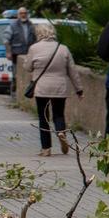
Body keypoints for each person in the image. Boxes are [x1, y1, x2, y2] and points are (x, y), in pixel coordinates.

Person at [27, 22, 83, 156]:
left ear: (39, 33)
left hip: (42, 88)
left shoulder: (34, 48)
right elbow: (72, 71)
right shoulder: (63, 48)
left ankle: (46, 148)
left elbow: (28, 67)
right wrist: (79, 89)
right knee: (58, 114)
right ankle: (61, 132)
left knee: (43, 117)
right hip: (60, 87)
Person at [3, 7, 35, 97]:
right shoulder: (12, 25)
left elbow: (35, 39)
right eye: (21, 13)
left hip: (29, 55)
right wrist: (8, 52)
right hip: (16, 54)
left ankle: (27, 94)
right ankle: (14, 95)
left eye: (25, 13)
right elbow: (6, 40)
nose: (23, 15)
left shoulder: (31, 25)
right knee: (15, 75)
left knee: (29, 75)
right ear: (18, 15)